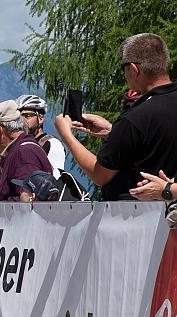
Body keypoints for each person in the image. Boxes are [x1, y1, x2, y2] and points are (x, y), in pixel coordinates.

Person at [55, 33, 177, 201]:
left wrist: (67, 135)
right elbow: (156, 138)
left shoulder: (135, 117)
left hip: (133, 217)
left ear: (134, 69)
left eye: (123, 68)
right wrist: (113, 131)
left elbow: (100, 174)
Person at [15, 94, 66, 178]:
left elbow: (56, 179)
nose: (22, 121)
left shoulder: (52, 143)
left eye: (27, 116)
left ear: (40, 118)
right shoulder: (20, 144)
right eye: (19, 117)